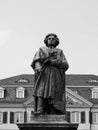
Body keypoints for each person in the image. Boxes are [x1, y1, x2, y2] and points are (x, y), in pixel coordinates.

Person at [31, 33, 69, 115]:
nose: (51, 40)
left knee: (54, 93)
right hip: (44, 73)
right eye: (49, 38)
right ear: (46, 40)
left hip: (56, 75)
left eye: (53, 39)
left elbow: (65, 64)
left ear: (56, 41)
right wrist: (38, 67)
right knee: (41, 90)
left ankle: (53, 111)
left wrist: (53, 62)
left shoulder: (60, 52)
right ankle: (40, 110)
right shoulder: (41, 50)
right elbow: (36, 61)